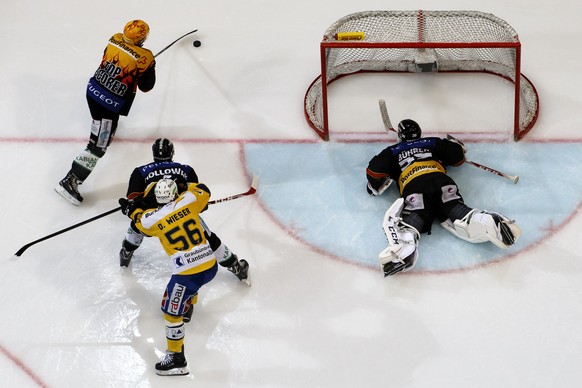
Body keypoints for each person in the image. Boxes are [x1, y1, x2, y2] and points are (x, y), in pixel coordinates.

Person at [119, 178, 248, 376]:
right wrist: (183, 185)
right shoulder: (188, 200)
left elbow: (138, 222)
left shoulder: (151, 218)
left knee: (170, 313)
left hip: (187, 273)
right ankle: (187, 305)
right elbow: (203, 190)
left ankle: (177, 359)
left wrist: (132, 208)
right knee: (208, 251)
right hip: (209, 266)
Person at [366, 119, 521, 277]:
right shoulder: (433, 142)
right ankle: (482, 219)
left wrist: (376, 184)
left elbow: (374, 172)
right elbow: (458, 158)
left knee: (416, 214)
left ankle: (405, 244)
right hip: (441, 180)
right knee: (453, 207)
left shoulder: (392, 150)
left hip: (414, 185)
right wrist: (457, 146)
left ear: (399, 136)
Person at [118, 138, 250, 287]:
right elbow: (198, 199)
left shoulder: (140, 171)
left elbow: (133, 200)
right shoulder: (185, 169)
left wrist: (130, 209)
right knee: (209, 237)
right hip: (182, 213)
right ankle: (236, 267)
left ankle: (126, 252)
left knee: (136, 225)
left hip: (154, 217)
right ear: (172, 152)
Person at [55, 20, 156, 206]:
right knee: (97, 147)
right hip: (108, 103)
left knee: (103, 125)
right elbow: (146, 86)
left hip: (93, 91)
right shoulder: (145, 57)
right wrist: (150, 67)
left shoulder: (114, 39)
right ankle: (70, 180)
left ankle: (102, 135)